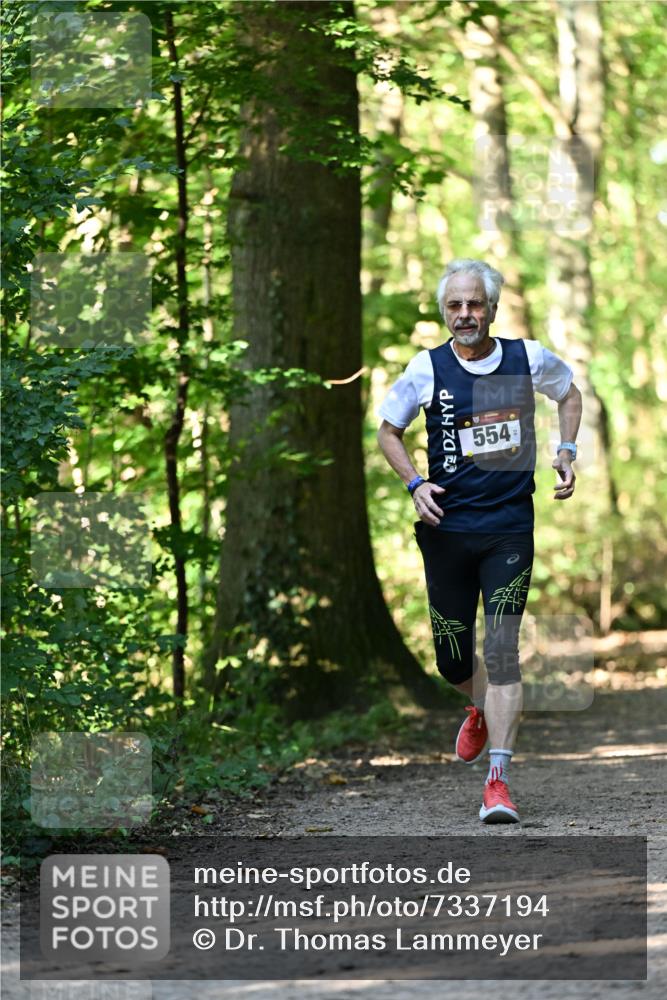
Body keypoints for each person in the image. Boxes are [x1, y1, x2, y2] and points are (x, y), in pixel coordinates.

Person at [376, 258, 582, 824]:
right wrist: (414, 483)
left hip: (510, 527)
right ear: (445, 312)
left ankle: (498, 780)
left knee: (502, 649)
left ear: (492, 308)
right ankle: (478, 704)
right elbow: (387, 431)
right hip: (447, 529)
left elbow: (569, 395)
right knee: (451, 657)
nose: (465, 314)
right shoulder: (426, 368)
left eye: (474, 304)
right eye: (454, 306)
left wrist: (567, 451)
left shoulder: (527, 358)